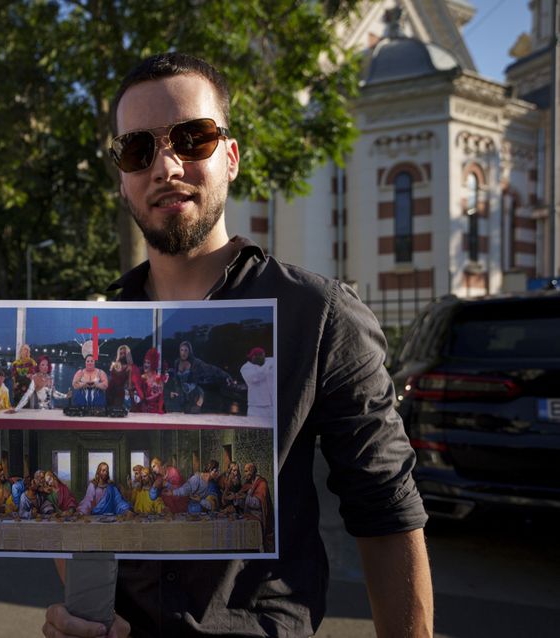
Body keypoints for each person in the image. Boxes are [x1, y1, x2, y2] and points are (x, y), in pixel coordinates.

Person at [44, 52, 430, 638]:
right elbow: (82, 516)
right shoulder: (96, 330)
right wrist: (86, 615)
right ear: (122, 176)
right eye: (136, 149)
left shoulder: (319, 315)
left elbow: (387, 511)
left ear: (231, 156)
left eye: (191, 138)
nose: (166, 165)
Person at [167, 340, 234, 414]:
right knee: (182, 418)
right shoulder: (177, 362)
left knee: (193, 417)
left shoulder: (196, 362)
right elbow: (176, 380)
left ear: (189, 351)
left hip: (195, 395)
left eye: (186, 350)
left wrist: (226, 375)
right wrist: (174, 391)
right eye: (182, 350)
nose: (183, 352)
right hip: (182, 397)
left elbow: (211, 368)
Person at [239, 462, 274, 552]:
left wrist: (245, 498)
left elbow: (258, 503)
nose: (245, 474)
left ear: (252, 471)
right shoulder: (248, 483)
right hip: (249, 515)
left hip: (259, 517)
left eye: (246, 471)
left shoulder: (262, 483)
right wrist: (237, 498)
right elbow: (243, 502)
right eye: (244, 471)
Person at [240, 346, 275, 419]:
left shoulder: (271, 363)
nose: (253, 358)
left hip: (273, 406)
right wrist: (268, 365)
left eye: (257, 355)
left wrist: (270, 363)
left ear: (263, 355)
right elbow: (255, 377)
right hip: (255, 408)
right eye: (253, 356)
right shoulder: (246, 368)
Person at [132, 347, 165, 413]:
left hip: (155, 412)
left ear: (153, 364)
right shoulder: (141, 378)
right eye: (145, 362)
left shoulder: (158, 379)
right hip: (143, 411)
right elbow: (137, 397)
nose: (145, 365)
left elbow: (161, 398)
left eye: (148, 363)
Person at [106, 345, 136, 409]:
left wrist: (133, 401)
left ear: (127, 354)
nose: (122, 355)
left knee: (116, 411)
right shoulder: (114, 364)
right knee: (108, 411)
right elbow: (110, 377)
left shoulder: (129, 367)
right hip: (109, 390)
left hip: (119, 392)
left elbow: (129, 385)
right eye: (121, 353)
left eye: (124, 353)